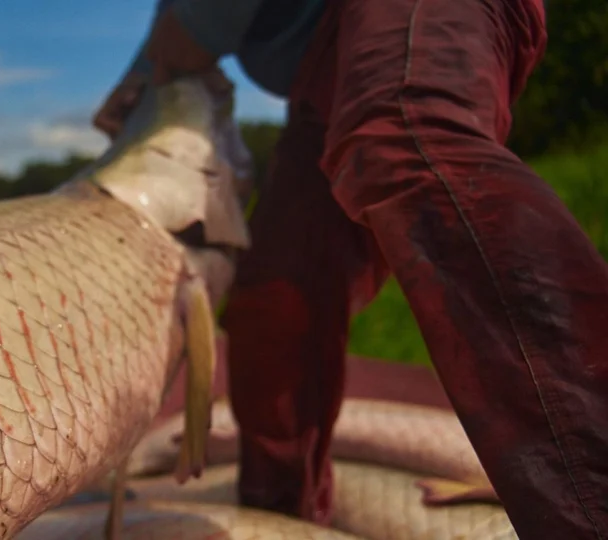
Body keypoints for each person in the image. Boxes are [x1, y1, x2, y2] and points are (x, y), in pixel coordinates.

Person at [92, 0, 608, 539]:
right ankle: (277, 513)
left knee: (403, 137)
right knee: (277, 289)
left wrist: (168, 60)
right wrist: (143, 74)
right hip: (327, 72)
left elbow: (186, 35)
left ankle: (592, 497)